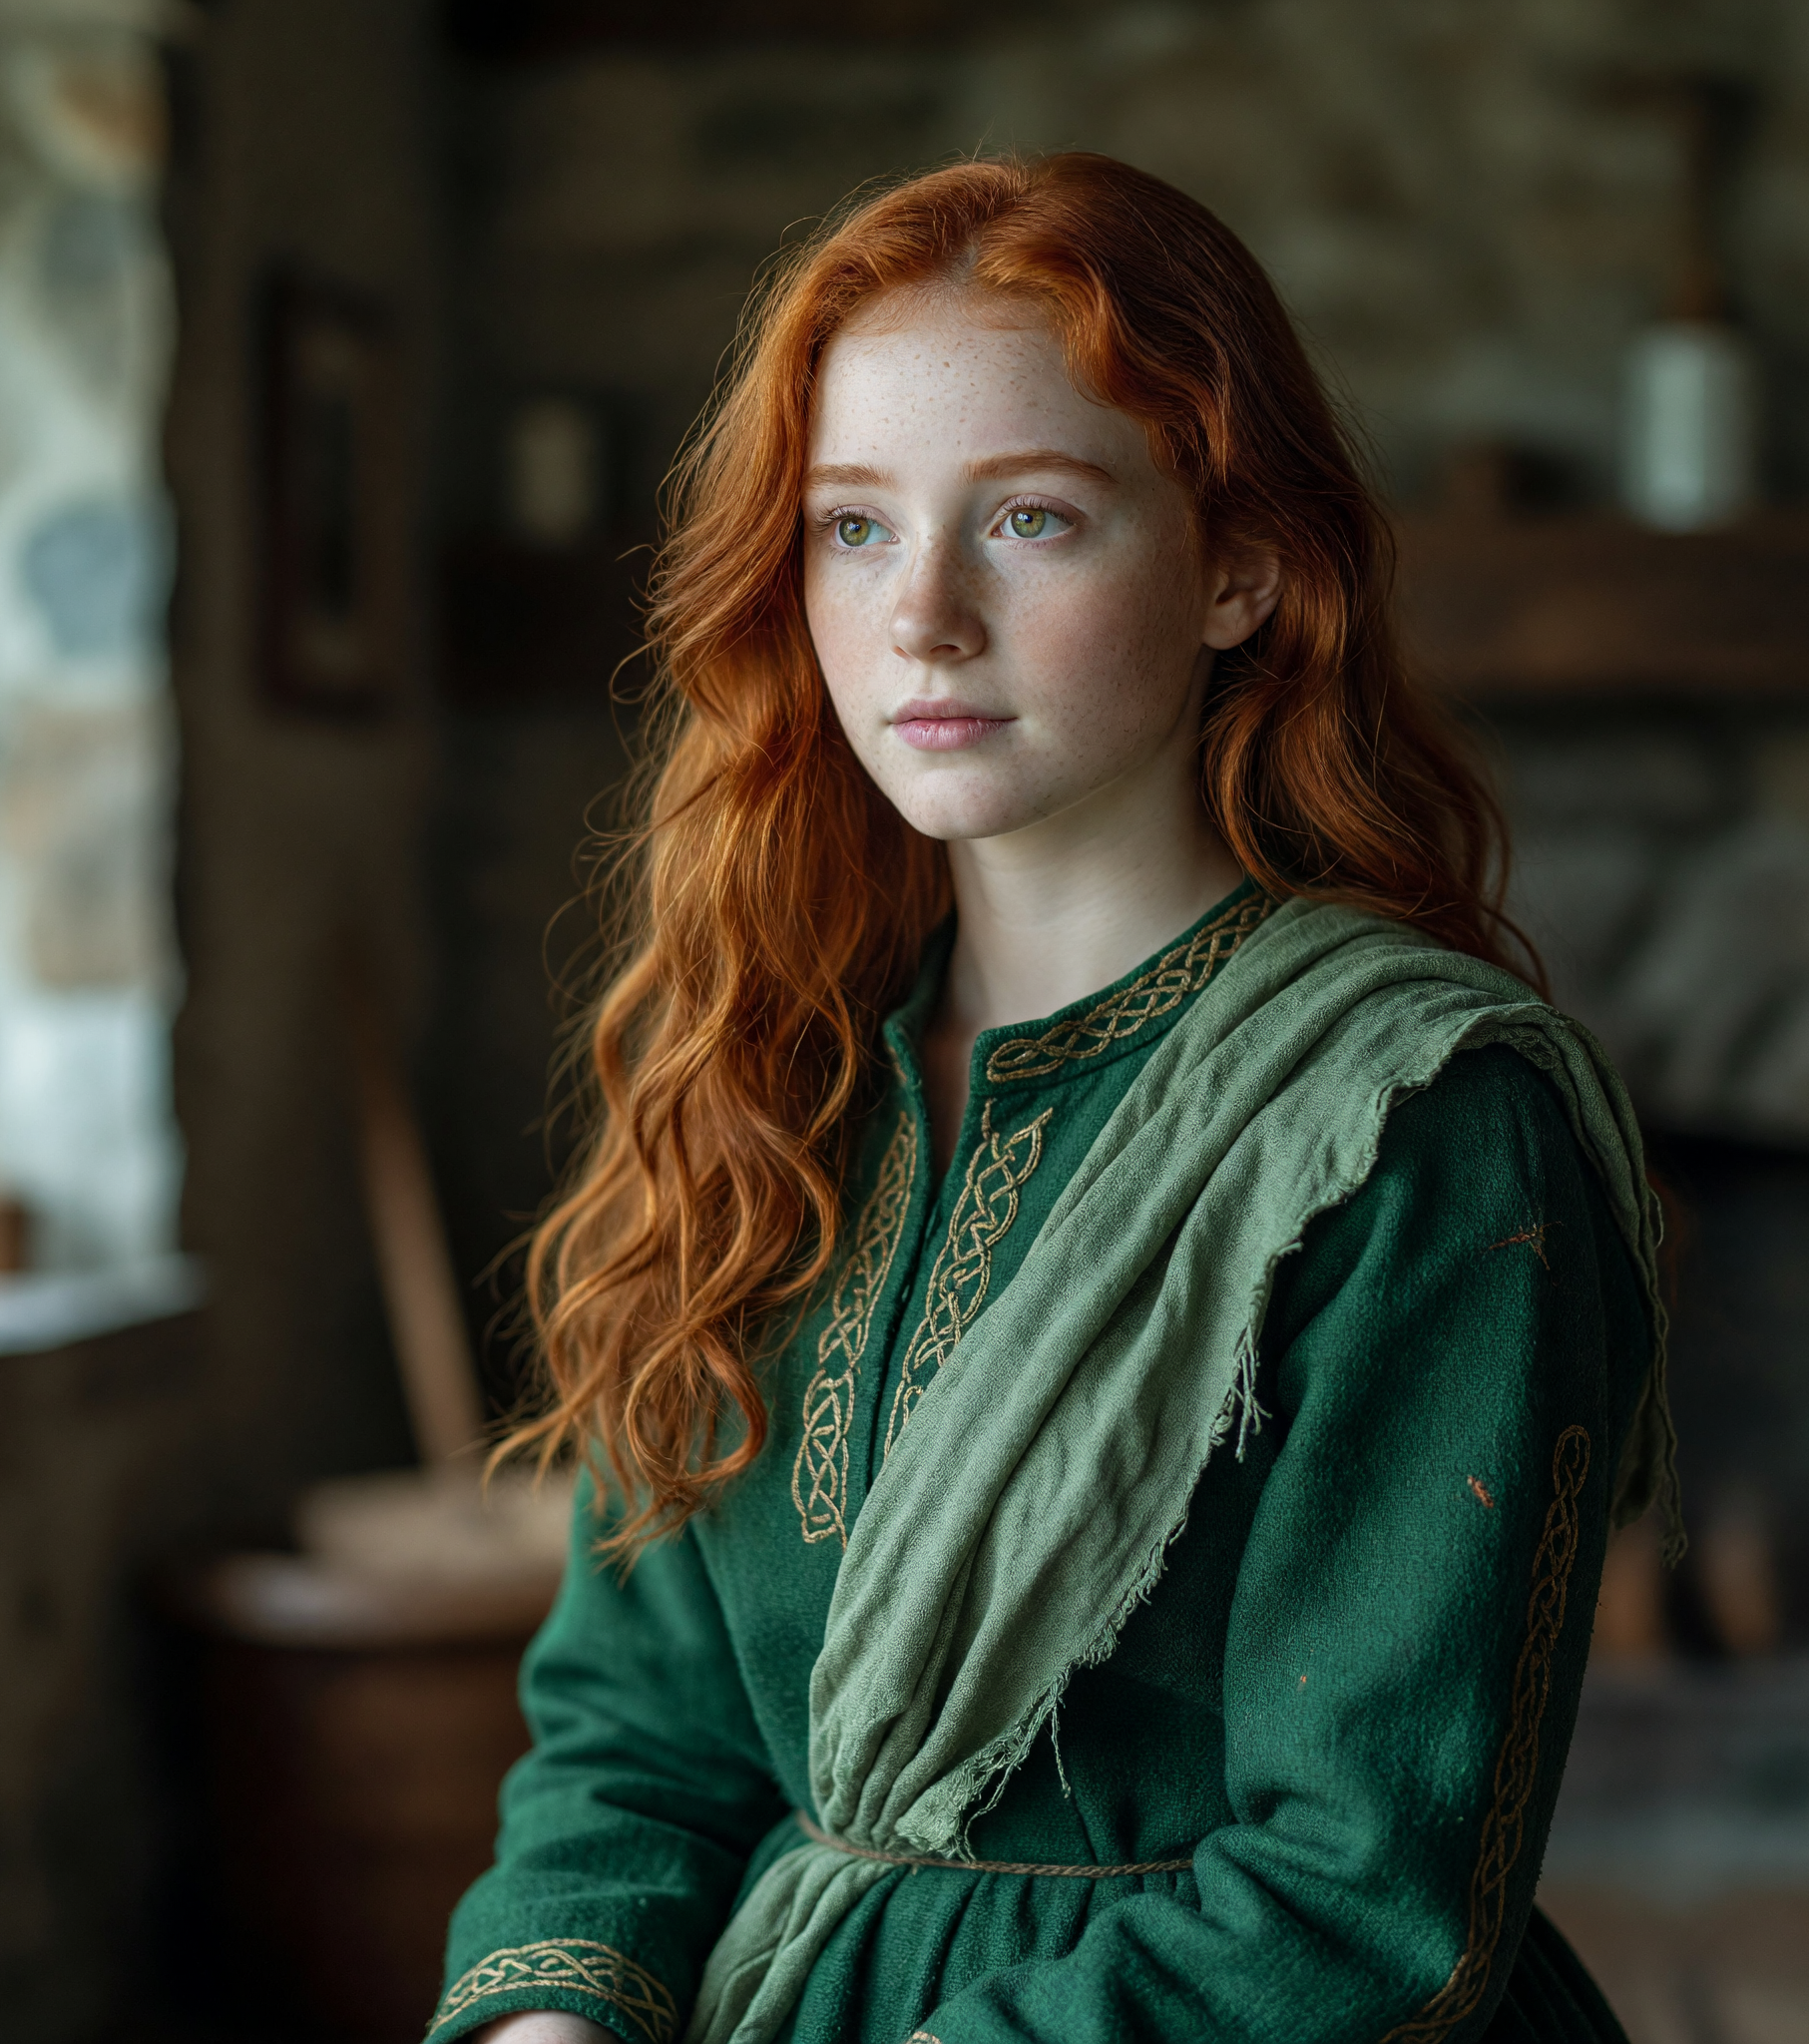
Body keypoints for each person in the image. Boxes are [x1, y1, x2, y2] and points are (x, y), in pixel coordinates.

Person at [430, 153, 1675, 2044]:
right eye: (855, 527)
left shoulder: (1416, 1126)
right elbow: (638, 1730)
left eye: (1030, 518)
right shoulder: (764, 1088)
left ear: (1242, 568)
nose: (923, 616)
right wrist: (553, 2023)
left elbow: (1361, 1901)